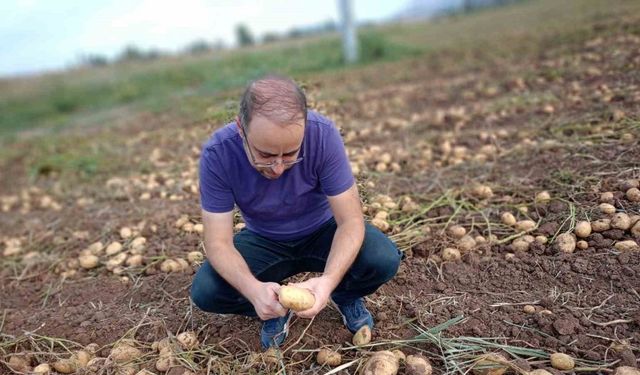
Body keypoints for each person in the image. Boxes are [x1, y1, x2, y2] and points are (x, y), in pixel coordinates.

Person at [190, 74, 402, 349]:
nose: (278, 168)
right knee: (207, 291)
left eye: (290, 154)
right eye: (265, 155)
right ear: (241, 128)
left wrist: (328, 281)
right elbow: (218, 243)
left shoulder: (322, 134)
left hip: (322, 231)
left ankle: (345, 294)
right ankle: (272, 308)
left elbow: (350, 221)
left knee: (381, 258)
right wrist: (254, 292)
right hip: (264, 240)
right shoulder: (218, 154)